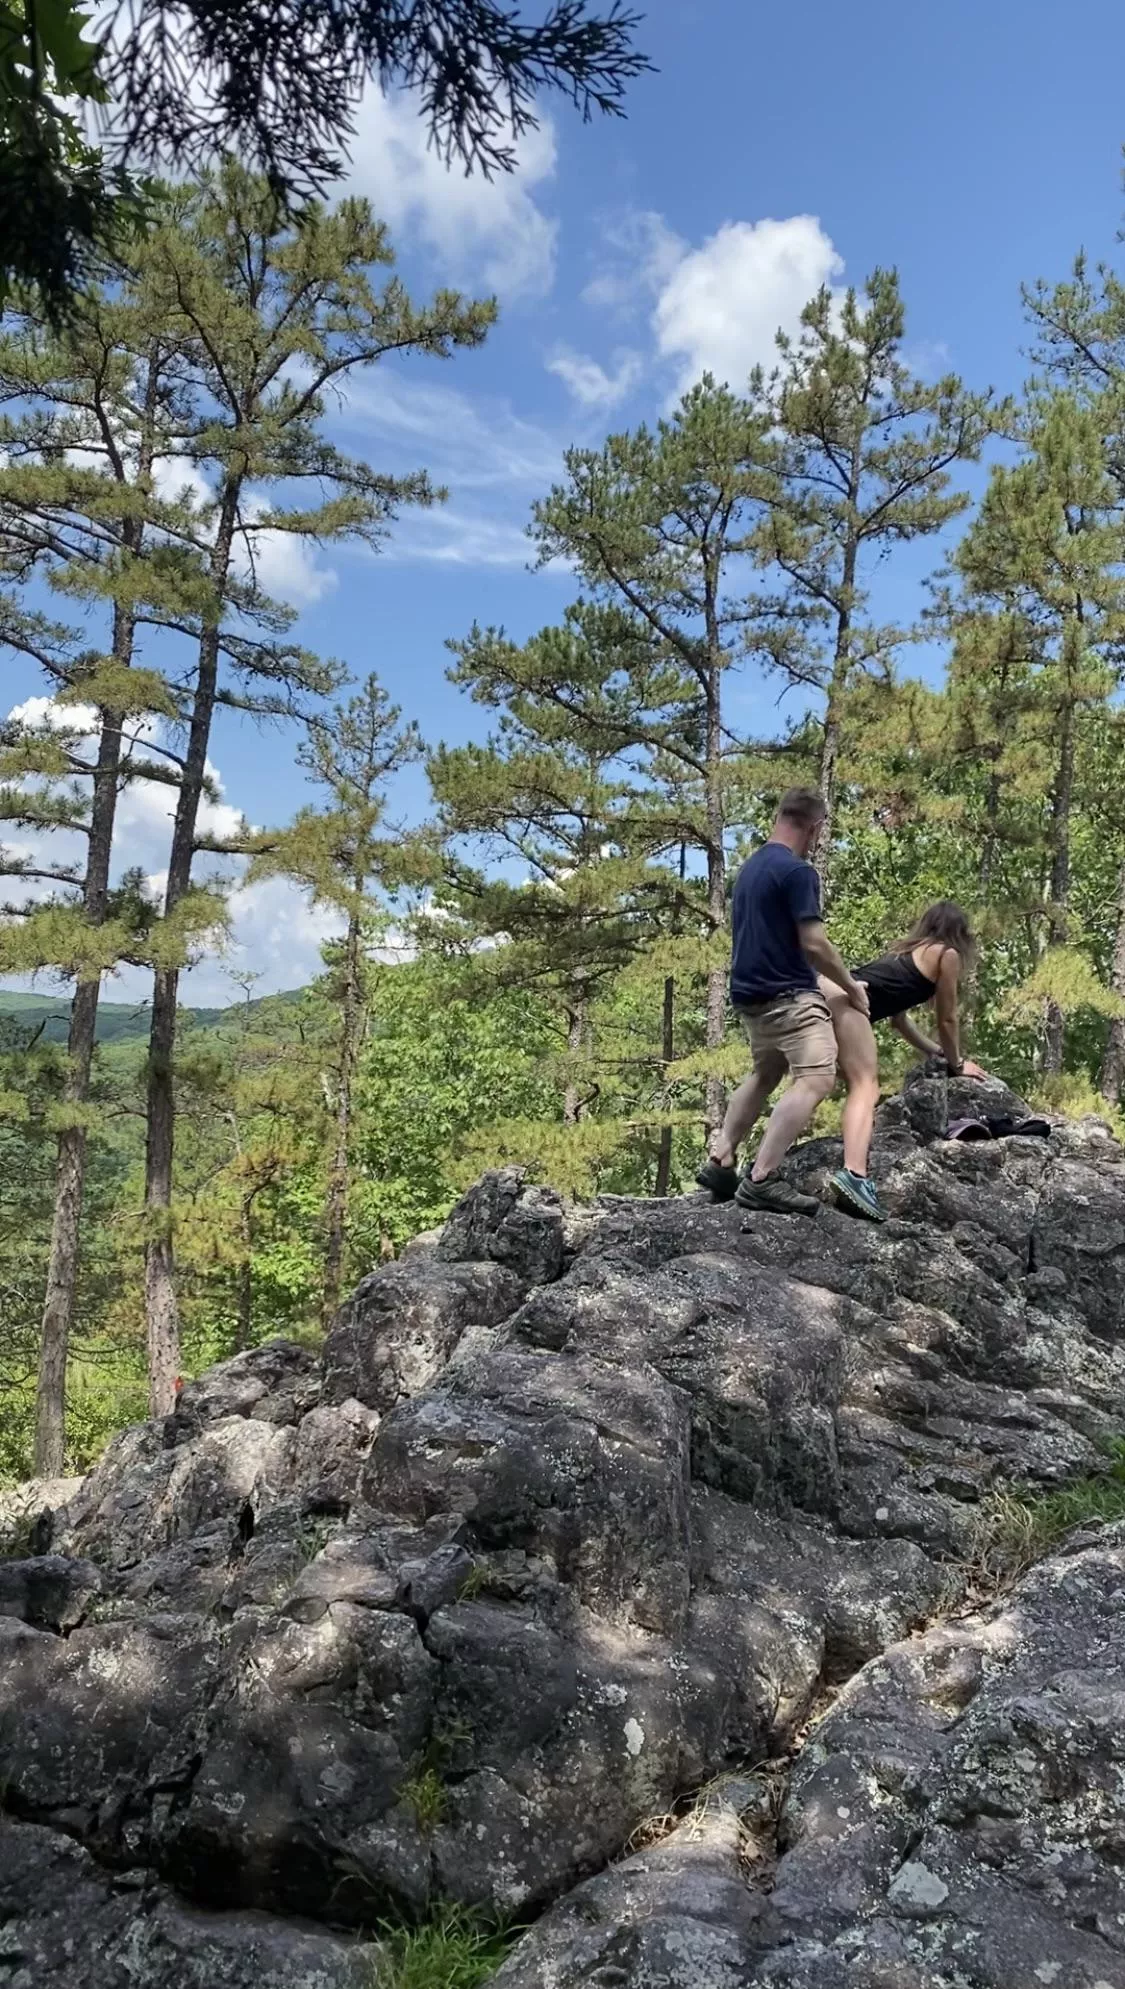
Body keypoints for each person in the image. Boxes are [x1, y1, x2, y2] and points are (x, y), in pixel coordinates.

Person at [696, 787, 871, 1215]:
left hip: (750, 995)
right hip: (789, 995)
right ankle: (763, 1177)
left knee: (765, 1071)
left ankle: (722, 1158)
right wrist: (851, 987)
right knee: (816, 1078)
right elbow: (813, 942)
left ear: (779, 816)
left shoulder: (751, 868)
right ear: (815, 828)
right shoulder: (797, 873)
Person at [820, 900, 986, 1222]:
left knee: (809, 1080)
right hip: (845, 1004)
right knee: (865, 1086)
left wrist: (934, 1051)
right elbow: (947, 1020)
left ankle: (740, 1164)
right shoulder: (945, 955)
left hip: (826, 994)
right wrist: (957, 1063)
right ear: (959, 934)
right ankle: (854, 1176)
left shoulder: (909, 954)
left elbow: (899, 1021)